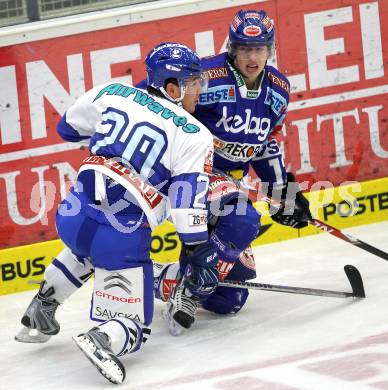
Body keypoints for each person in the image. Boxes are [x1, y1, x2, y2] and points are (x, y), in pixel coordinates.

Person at [15, 42, 219, 384]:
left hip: (72, 215)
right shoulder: (195, 134)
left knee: (84, 251)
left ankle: (43, 306)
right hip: (122, 234)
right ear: (173, 87)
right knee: (136, 326)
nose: (200, 90)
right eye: (194, 83)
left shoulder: (114, 91)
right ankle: (103, 338)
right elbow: (186, 207)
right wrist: (199, 252)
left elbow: (67, 128)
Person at [151, 9, 312, 334]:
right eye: (244, 49)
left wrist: (283, 191)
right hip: (183, 174)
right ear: (232, 48)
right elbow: (150, 94)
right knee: (243, 218)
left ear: (270, 50)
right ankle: (188, 292)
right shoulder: (205, 75)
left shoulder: (278, 90)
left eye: (259, 49)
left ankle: (155, 276)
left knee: (229, 300)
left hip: (223, 183)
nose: (251, 57)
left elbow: (265, 143)